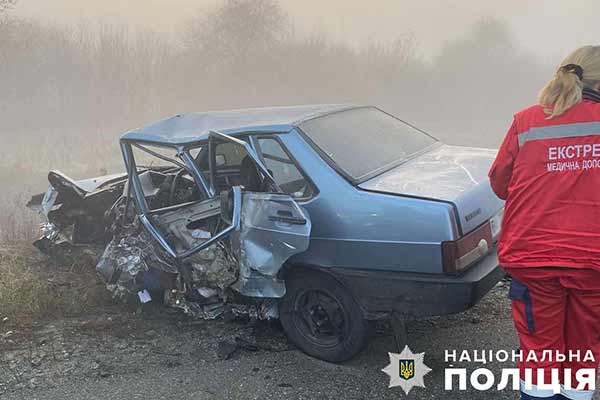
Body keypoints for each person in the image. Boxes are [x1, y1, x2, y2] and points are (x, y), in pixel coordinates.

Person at [489, 45, 600, 400]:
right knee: (584, 355)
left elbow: (500, 183)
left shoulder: (526, 121)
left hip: (533, 257)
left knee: (541, 353)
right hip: (593, 261)